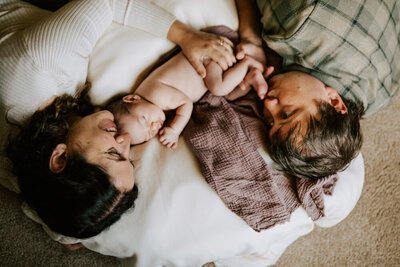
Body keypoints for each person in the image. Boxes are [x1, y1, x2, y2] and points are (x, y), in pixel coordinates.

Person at [1, 0, 235, 238]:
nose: (125, 139)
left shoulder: (45, 62)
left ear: (60, 156)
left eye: (113, 153)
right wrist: (64, 228)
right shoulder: (28, 167)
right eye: (127, 157)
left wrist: (187, 38)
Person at [232, 0, 399, 180]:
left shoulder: (382, 96)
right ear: (334, 100)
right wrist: (251, 38)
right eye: (287, 114)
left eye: (271, 123)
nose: (268, 104)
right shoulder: (296, 24)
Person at [107, 27, 271, 149]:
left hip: (207, 58)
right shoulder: (153, 105)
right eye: (148, 134)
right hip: (209, 72)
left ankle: (248, 63)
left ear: (132, 99)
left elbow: (186, 104)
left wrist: (174, 129)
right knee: (231, 95)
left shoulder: (153, 94)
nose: (154, 126)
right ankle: (251, 78)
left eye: (145, 120)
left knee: (219, 88)